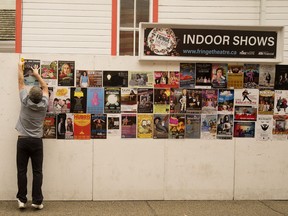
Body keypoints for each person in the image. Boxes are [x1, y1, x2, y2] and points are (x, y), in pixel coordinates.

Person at [15, 60, 48, 210]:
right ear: (40, 97)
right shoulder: (44, 105)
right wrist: (37, 74)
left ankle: (22, 200)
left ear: (29, 96)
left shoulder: (24, 101)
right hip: (36, 142)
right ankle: (37, 201)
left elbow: (21, 82)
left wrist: (20, 68)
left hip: (22, 141)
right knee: (37, 171)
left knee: (22, 171)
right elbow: (45, 86)